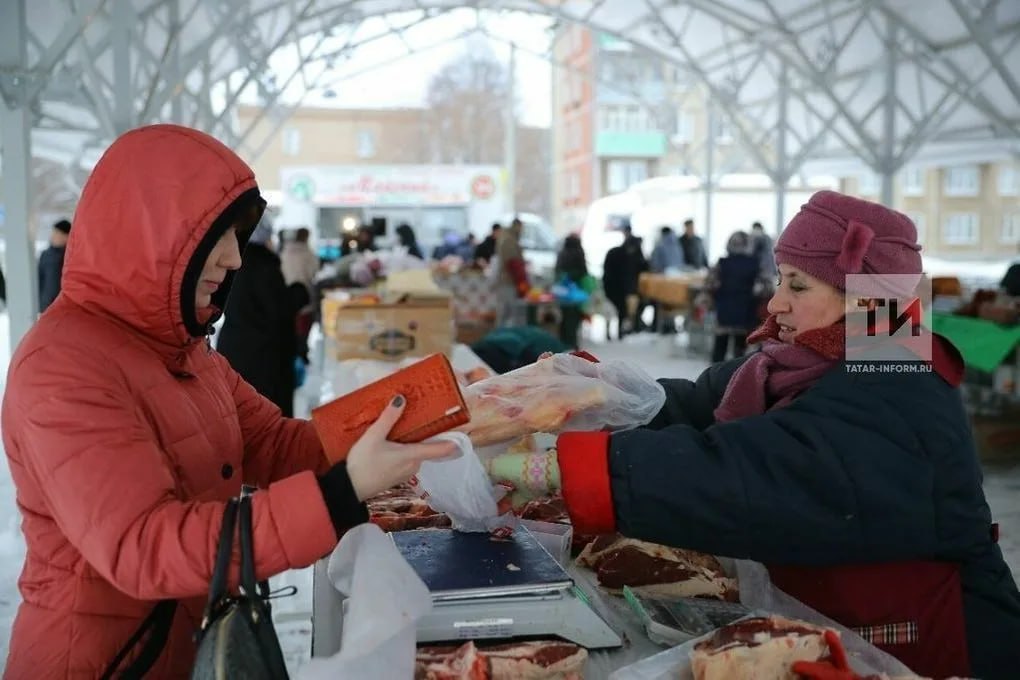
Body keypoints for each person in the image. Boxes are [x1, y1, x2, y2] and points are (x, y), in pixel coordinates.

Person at [0, 124, 455, 678]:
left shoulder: (185, 351)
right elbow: (144, 546)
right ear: (150, 237)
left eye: (239, 236)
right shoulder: (62, 367)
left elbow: (278, 444)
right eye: (215, 236)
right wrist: (341, 492)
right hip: (99, 664)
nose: (235, 258)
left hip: (183, 646)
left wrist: (426, 404)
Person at [532, 191, 1020, 679]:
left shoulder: (897, 382)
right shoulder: (795, 365)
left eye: (798, 285)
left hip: (934, 646)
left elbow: (754, 473)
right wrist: (598, 396)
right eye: (780, 279)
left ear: (866, 298)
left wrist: (578, 469)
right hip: (849, 625)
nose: (775, 302)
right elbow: (698, 405)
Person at [217, 216, 299, 417]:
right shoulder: (263, 266)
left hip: (235, 348)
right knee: (265, 421)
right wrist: (300, 292)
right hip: (264, 356)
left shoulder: (232, 265)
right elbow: (278, 311)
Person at [707, 231, 760, 362]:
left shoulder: (722, 263)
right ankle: (737, 375)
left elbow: (710, 284)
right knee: (740, 349)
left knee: (720, 346)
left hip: (724, 308)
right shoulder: (755, 264)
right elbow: (762, 288)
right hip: (745, 310)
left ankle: (715, 374)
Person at [554, 234, 589, 348]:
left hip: (563, 292)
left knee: (564, 317)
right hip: (576, 292)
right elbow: (583, 271)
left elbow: (557, 271)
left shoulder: (562, 253)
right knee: (574, 318)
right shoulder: (579, 252)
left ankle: (563, 342)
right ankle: (573, 342)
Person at [495, 218, 528, 327]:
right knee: (508, 313)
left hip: (508, 281)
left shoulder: (508, 238)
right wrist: (521, 281)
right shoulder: (509, 240)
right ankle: (502, 338)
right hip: (508, 282)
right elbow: (513, 264)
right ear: (517, 226)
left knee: (506, 313)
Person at [37, 218, 72, 312]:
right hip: (46, 305)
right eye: (53, 233)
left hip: (66, 306)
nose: (53, 236)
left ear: (67, 236)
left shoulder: (72, 255)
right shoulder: (45, 255)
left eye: (57, 233)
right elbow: (39, 279)